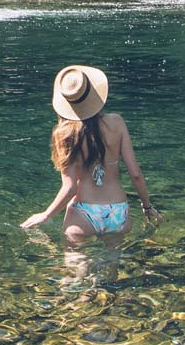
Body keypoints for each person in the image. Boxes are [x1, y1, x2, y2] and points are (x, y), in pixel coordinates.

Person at [20, 65, 160, 276]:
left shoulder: (64, 134)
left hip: (83, 214)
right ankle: (108, 301)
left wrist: (46, 215)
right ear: (94, 94)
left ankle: (82, 303)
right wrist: (147, 207)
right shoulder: (117, 122)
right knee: (111, 274)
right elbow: (136, 174)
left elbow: (68, 188)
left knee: (77, 276)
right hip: (118, 214)